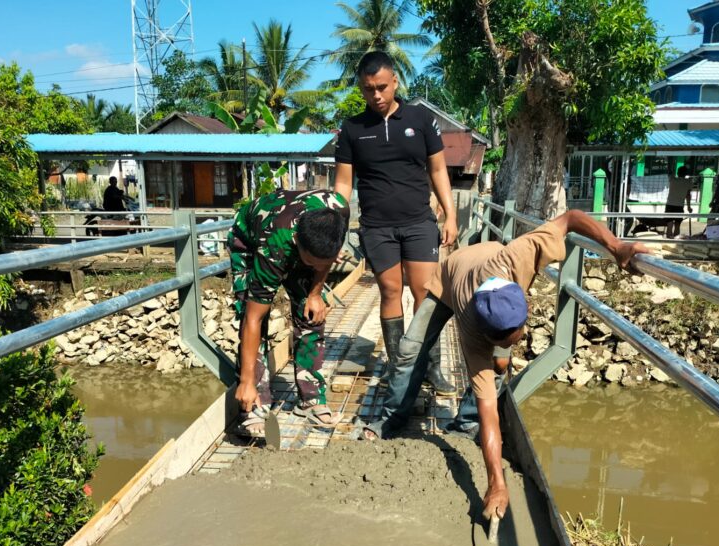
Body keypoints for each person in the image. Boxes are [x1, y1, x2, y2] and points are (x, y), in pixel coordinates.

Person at [356, 210, 648, 521]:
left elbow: (572, 218)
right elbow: (490, 412)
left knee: (498, 367)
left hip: (490, 268)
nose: (510, 344)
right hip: (450, 277)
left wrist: (616, 247)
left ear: (526, 305)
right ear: (483, 334)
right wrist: (497, 482)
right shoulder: (472, 332)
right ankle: (391, 419)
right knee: (410, 349)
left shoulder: (517, 257)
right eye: (501, 341)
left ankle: (462, 426)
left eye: (514, 339)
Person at [334, 51, 457, 398]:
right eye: (368, 89)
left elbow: (437, 171)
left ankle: (430, 367)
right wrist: (335, 219)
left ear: (395, 82)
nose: (376, 95)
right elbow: (343, 184)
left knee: (425, 293)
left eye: (382, 87)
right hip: (377, 227)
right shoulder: (352, 129)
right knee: (389, 292)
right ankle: (398, 369)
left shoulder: (421, 119)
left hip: (419, 222)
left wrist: (451, 215)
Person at [227, 189, 349, 437]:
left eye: (322, 262)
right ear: (296, 242)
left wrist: (315, 293)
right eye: (311, 261)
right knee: (252, 318)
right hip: (250, 242)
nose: (317, 267)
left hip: (299, 241)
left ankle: (311, 398)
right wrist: (246, 381)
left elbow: (324, 260)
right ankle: (254, 403)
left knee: (311, 312)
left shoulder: (337, 211)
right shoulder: (274, 248)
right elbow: (254, 317)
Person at [664, 166, 694, 239]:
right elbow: (688, 195)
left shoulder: (672, 179)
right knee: (677, 225)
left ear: (678, 173)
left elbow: (669, 171)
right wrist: (689, 207)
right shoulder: (688, 182)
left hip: (670, 205)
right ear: (686, 173)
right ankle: (675, 241)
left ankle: (668, 241)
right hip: (679, 206)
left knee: (669, 225)